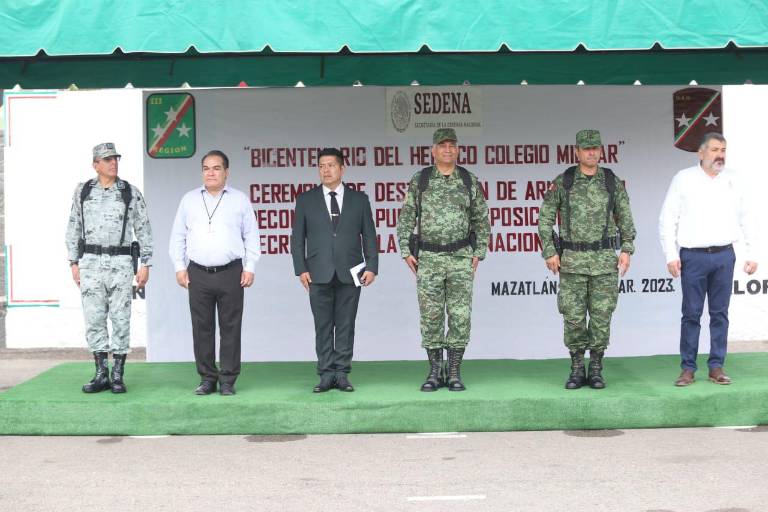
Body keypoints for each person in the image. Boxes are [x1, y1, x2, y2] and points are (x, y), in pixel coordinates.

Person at [538, 129, 636, 390]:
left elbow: (625, 218)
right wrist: (549, 251)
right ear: (578, 151)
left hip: (604, 262)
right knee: (573, 317)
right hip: (572, 262)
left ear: (601, 151)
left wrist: (626, 250)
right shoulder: (565, 181)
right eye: (587, 148)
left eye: (596, 148)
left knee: (602, 317)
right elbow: (545, 218)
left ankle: (595, 367)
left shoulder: (611, 181)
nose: (591, 152)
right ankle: (576, 367)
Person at [659, 132, 758, 387]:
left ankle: (716, 366)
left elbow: (747, 218)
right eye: (714, 150)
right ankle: (688, 368)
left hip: (725, 255)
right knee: (691, 314)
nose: (720, 155)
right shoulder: (683, 179)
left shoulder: (734, 180)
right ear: (700, 153)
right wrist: (671, 254)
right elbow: (667, 219)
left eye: (723, 149)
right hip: (693, 256)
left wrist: (752, 253)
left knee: (720, 314)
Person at [396, 128, 490, 392]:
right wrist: (405, 249)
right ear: (433, 150)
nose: (448, 149)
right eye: (442, 145)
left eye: (452, 145)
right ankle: (434, 372)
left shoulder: (469, 181)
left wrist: (478, 252)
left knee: (460, 316)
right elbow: (406, 217)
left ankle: (454, 371)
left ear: (458, 149)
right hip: (429, 258)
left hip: (460, 256)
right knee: (431, 316)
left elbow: (481, 220)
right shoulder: (421, 179)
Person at [169, 150, 260, 396]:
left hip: (231, 272)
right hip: (197, 272)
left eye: (216, 168)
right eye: (206, 168)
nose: (211, 172)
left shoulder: (239, 200)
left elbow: (252, 235)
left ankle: (228, 379)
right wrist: (179, 266)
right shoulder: (189, 199)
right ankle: (207, 378)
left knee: (231, 327)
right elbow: (178, 235)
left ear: (226, 172)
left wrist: (250, 267)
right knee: (202, 328)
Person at [65, 142, 153, 394]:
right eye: (107, 159)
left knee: (121, 318)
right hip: (91, 262)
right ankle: (101, 372)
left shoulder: (129, 192)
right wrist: (73, 261)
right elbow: (74, 226)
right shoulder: (82, 191)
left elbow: (144, 229)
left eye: (115, 158)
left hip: (121, 262)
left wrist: (146, 263)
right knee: (93, 318)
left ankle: (117, 374)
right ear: (95, 165)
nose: (113, 162)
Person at [290, 147, 378, 393]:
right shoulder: (306, 200)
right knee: (323, 325)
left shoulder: (359, 199)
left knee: (346, 323)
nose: (326, 170)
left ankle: (342, 373)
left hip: (352, 271)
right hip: (317, 271)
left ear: (342, 168)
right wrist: (301, 268)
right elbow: (297, 239)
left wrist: (372, 266)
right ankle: (326, 373)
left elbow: (369, 235)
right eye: (321, 166)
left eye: (331, 165)